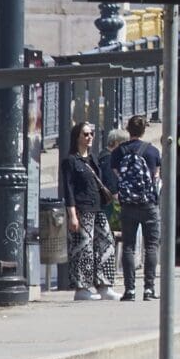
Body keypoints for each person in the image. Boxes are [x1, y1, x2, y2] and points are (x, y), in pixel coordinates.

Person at [61, 122, 118, 301]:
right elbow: (68, 190)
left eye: (91, 133)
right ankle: (82, 288)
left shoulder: (92, 159)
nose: (90, 137)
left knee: (106, 242)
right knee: (83, 248)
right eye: (85, 134)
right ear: (77, 137)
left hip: (97, 207)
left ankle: (104, 285)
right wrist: (72, 215)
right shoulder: (70, 161)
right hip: (81, 209)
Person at [109, 115, 163, 301]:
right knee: (151, 246)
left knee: (129, 247)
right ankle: (149, 289)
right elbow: (156, 175)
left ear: (128, 129)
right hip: (148, 204)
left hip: (128, 205)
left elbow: (117, 175)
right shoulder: (152, 151)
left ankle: (130, 290)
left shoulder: (118, 152)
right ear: (144, 130)